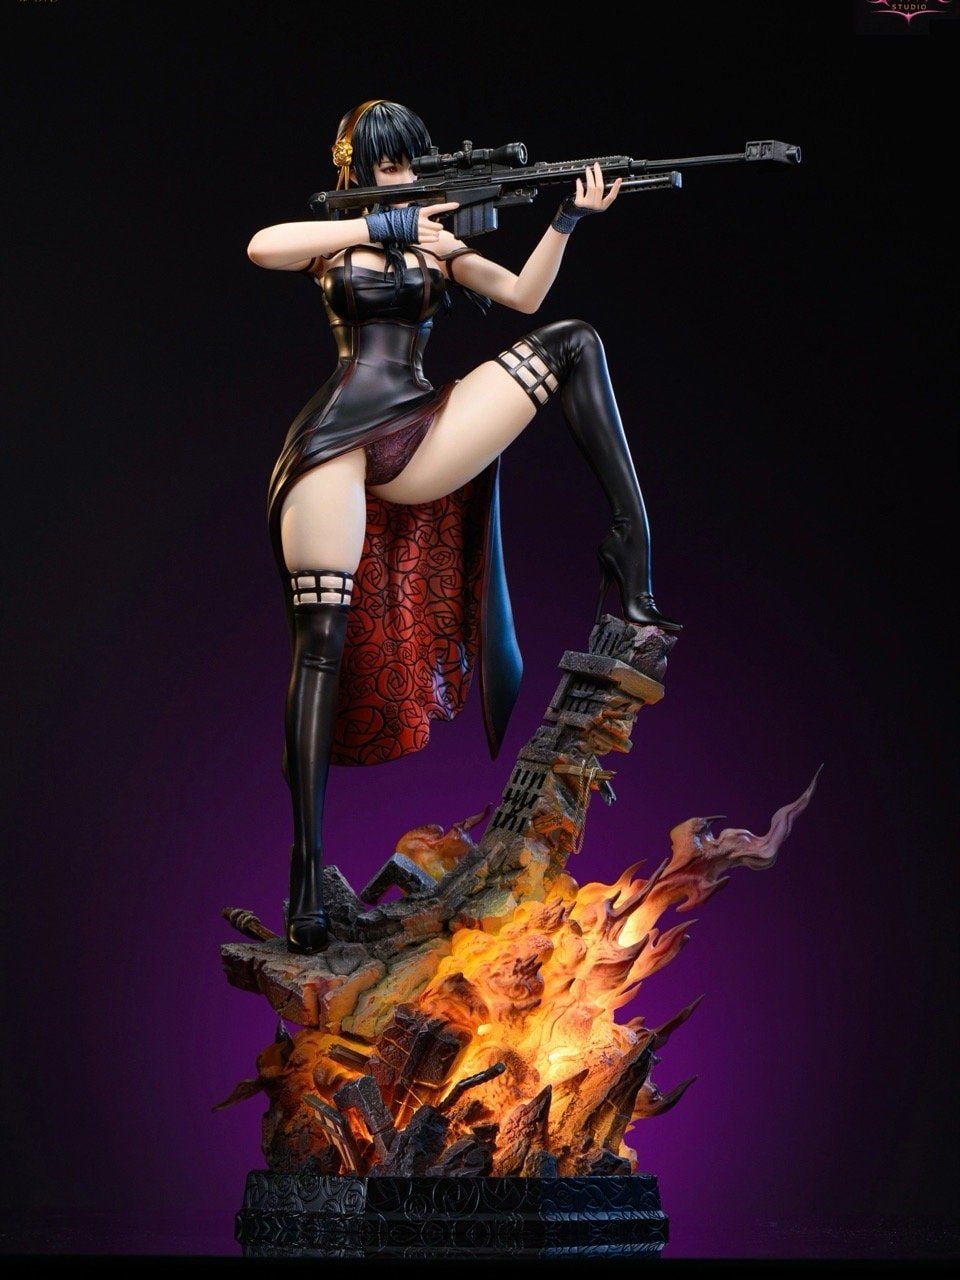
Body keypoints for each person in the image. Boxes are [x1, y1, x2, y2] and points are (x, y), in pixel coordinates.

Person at [246, 99, 681, 956]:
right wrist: (381, 222)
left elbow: (522, 295)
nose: (401, 177)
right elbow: (263, 245)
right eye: (385, 164)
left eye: (409, 161)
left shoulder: (437, 244)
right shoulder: (335, 237)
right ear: (357, 169)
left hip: (422, 427)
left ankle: (630, 549)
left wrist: (566, 218)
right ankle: (305, 871)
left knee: (574, 342)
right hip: (333, 441)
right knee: (321, 646)